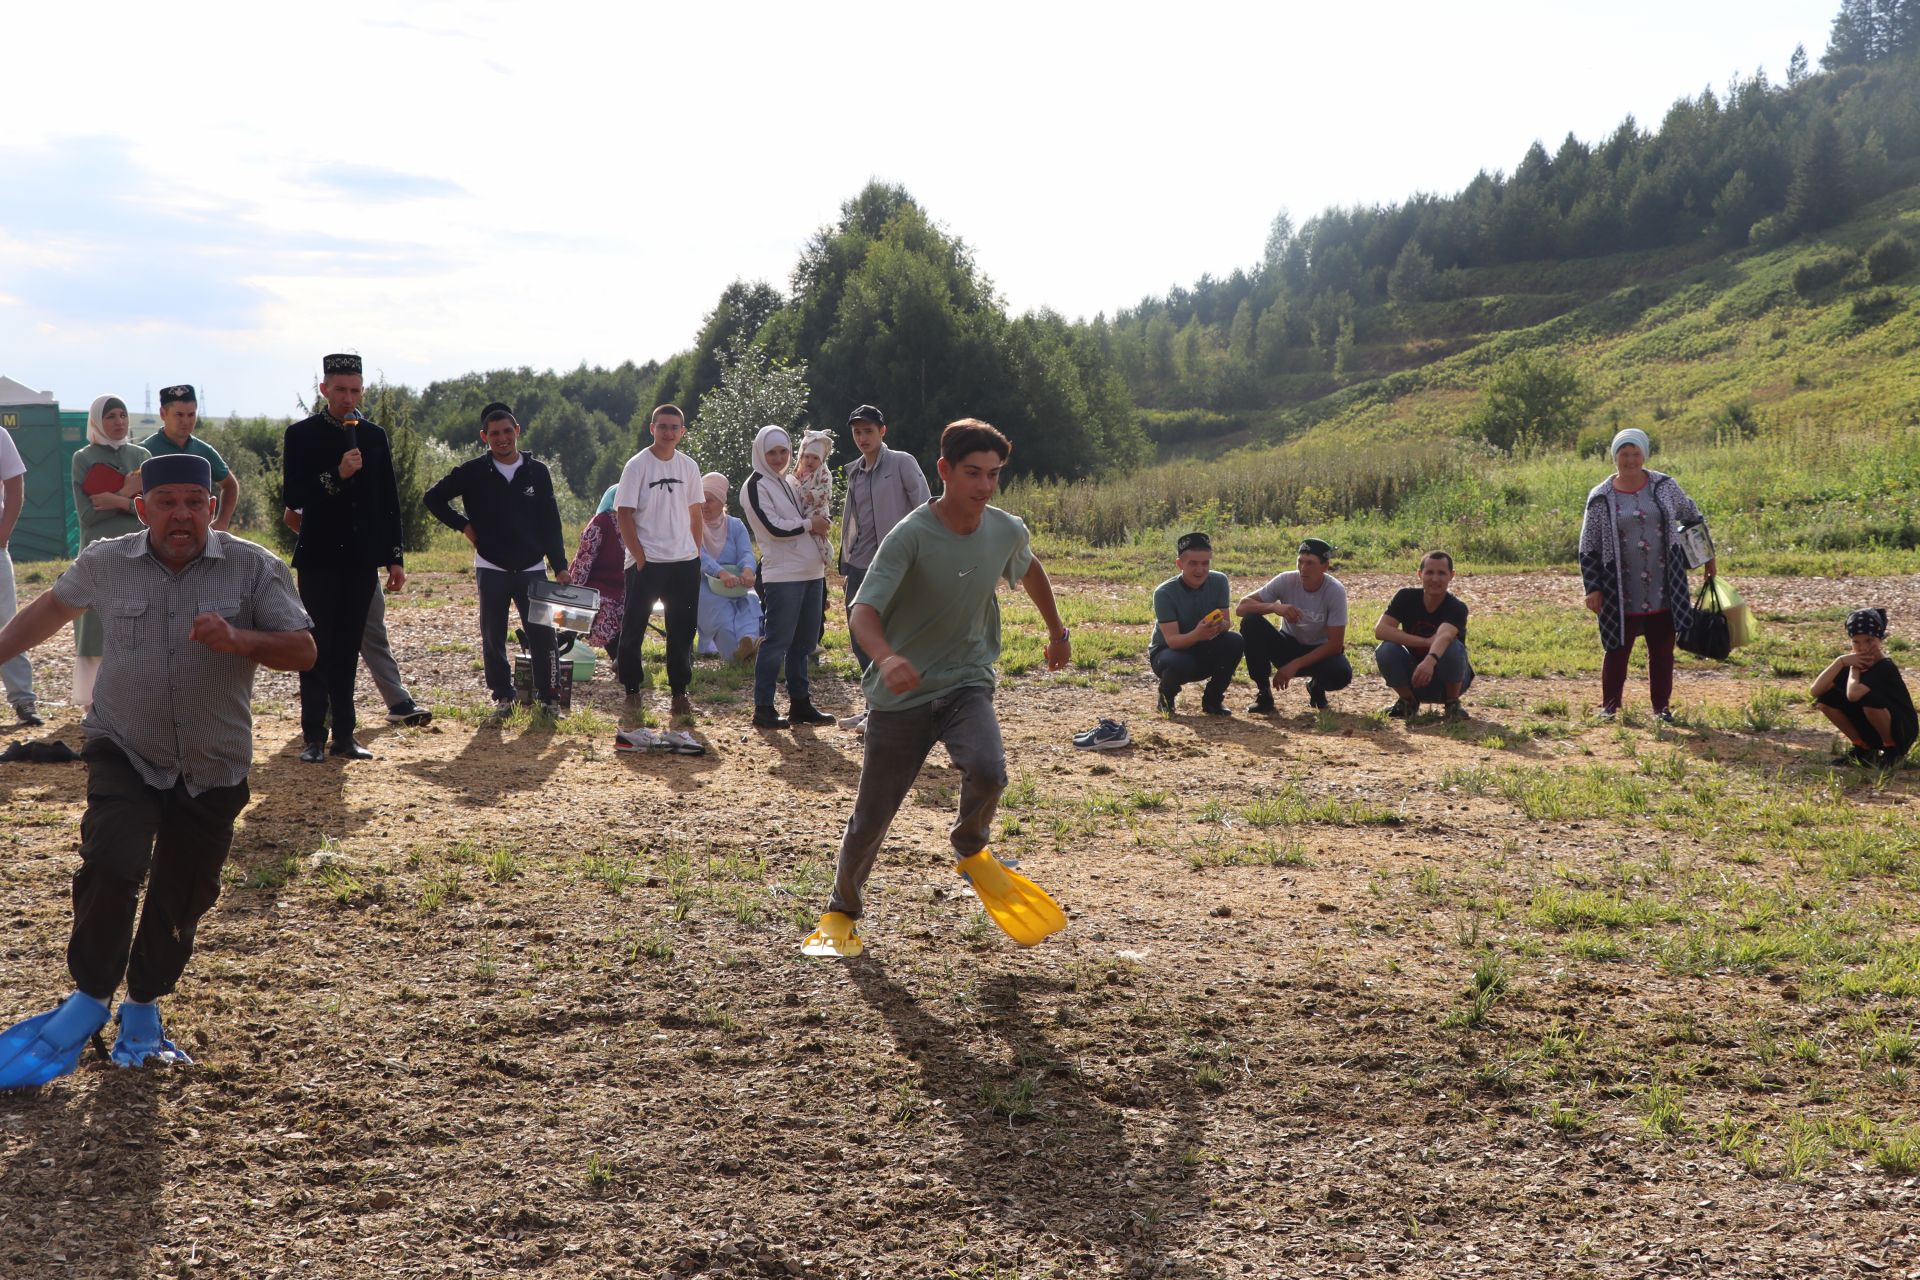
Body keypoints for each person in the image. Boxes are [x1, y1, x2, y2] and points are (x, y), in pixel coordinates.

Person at [0, 453, 314, 1089]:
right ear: (142, 509)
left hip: (214, 761)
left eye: (193, 503)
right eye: (166, 502)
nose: (181, 515)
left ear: (212, 508)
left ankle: (142, 1008)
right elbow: (48, 611)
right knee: (112, 863)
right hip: (125, 747)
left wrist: (240, 639)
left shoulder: (254, 568)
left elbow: (305, 650)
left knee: (183, 893)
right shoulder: (107, 562)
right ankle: (89, 997)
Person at [801, 419, 1072, 959]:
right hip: (900, 696)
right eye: (973, 473)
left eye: (994, 474)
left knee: (990, 770)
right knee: (872, 816)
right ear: (944, 470)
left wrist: (1057, 630)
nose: (984, 486)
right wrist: (887, 657)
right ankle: (840, 911)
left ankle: (970, 847)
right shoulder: (912, 534)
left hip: (967, 680)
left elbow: (1029, 565)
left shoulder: (1005, 529)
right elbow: (863, 611)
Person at [281, 354, 406, 763]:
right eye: (340, 390)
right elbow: (293, 496)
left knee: (349, 647)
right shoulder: (301, 435)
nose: (347, 397)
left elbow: (388, 500)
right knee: (317, 646)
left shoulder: (374, 436)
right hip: (318, 557)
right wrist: (337, 474)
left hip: (359, 560)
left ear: (362, 390)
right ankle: (313, 736)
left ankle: (345, 736)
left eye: (354, 390)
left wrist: (394, 557)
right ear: (324, 389)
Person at [424, 403, 571, 718]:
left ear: (517, 431)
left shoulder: (538, 471)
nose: (502, 438)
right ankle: (504, 699)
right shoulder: (473, 471)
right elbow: (432, 498)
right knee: (493, 635)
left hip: (532, 566)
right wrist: (463, 525)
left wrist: (559, 565)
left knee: (543, 635)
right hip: (492, 566)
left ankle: (549, 700)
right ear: (484, 437)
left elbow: (551, 522)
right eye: (494, 434)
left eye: (507, 431)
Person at [1578, 428, 1713, 722]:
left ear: (1644, 454)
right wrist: (1593, 587)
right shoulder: (1601, 496)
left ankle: (1661, 708)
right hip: (1619, 586)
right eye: (1623, 454)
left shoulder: (1664, 485)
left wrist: (1708, 559)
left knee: (1662, 649)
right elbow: (1588, 546)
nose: (1630, 460)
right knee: (1617, 647)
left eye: (1635, 453)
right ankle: (1610, 707)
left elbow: (1692, 515)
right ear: (1614, 457)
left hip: (1665, 583)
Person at [283, 508, 431, 726]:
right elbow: (291, 517)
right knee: (325, 639)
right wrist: (321, 541)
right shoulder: (315, 475)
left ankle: (399, 701)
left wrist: (392, 559)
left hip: (362, 566)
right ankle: (325, 708)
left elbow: (384, 515)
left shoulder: (369, 477)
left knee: (374, 634)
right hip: (322, 569)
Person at [836, 403, 931, 729]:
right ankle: (873, 705)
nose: (862, 437)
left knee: (890, 634)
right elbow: (851, 523)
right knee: (858, 634)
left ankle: (888, 711)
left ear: (882, 431)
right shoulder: (854, 472)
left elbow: (924, 507)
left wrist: (920, 558)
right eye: (857, 432)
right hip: (861, 564)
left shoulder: (903, 463)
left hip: (896, 563)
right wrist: (845, 565)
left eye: (868, 431)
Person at [614, 405, 704, 724]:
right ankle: (632, 689)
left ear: (682, 431)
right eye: (662, 426)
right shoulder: (637, 466)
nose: (668, 432)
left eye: (674, 427)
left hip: (683, 560)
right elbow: (623, 512)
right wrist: (639, 555)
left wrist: (694, 551)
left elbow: (696, 512)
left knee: (681, 628)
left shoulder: (689, 466)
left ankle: (679, 691)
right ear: (651, 428)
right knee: (634, 626)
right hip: (647, 560)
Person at [741, 426, 833, 730]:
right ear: (760, 453)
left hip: (812, 572)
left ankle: (800, 703)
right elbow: (773, 528)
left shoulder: (789, 481)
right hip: (783, 576)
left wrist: (818, 521)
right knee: (778, 640)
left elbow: (814, 504)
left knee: (805, 643)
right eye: (772, 452)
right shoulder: (755, 485)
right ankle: (764, 707)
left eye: (783, 451)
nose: (779, 458)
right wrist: (811, 524)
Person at [66, 397, 151, 711]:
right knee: (96, 625)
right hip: (98, 556)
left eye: (123, 415)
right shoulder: (83, 458)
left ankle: (135, 698)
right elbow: (87, 516)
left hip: (138, 553)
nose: (118, 422)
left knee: (139, 624)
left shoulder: (141, 456)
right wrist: (128, 493)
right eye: (111, 416)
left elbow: (149, 511)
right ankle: (95, 703)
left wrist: (116, 500)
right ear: (97, 421)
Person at [1236, 537, 1352, 714]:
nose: (1303, 569)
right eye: (1300, 561)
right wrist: (1274, 607)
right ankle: (1264, 693)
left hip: (1318, 652)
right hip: (1288, 645)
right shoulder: (1286, 580)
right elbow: (1242, 607)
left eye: (1310, 563)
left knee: (1341, 674)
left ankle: (1316, 687)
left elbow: (1335, 644)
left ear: (1325, 566)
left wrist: (1295, 664)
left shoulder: (1334, 590)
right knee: (1251, 622)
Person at [1148, 531, 1244, 716]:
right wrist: (1197, 634)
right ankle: (1166, 697)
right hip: (1169, 652)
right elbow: (1173, 641)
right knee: (1178, 663)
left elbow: (1226, 623)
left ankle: (1213, 700)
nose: (1200, 570)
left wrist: (1219, 626)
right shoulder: (1164, 593)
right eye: (1193, 563)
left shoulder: (1219, 580)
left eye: (1205, 563)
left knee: (1235, 641)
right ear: (1179, 564)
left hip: (1204, 645)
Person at [1374, 550, 1474, 721]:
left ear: (1452, 575)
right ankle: (1408, 702)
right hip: (1414, 678)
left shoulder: (1457, 607)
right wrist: (1425, 641)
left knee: (1453, 647)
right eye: (1429, 572)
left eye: (1441, 573)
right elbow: (1381, 630)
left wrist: (1430, 660)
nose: (1435, 579)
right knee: (1386, 649)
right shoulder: (1405, 597)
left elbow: (1444, 636)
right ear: (1420, 574)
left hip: (1446, 680)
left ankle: (1452, 704)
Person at [1812, 609, 1916, 767]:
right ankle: (1863, 748)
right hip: (1873, 728)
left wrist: (1854, 670)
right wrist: (1840, 661)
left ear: (1880, 639)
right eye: (1856, 642)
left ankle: (1892, 750)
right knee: (1826, 700)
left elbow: (1853, 694)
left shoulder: (1884, 667)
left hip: (1901, 730)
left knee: (1869, 700)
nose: (1862, 647)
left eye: (1869, 640)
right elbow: (1815, 690)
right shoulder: (1849, 662)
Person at [140, 383, 239, 531]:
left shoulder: (203, 450)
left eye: (191, 414)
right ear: (163, 414)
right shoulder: (145, 451)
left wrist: (222, 522)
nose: (186, 421)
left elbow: (230, 485)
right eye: (179, 414)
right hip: (157, 537)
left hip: (196, 537)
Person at [695, 472, 761, 661]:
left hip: (737, 583)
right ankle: (738, 655)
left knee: (749, 603)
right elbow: (698, 555)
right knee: (723, 620)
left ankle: (748, 641)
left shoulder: (735, 525)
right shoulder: (693, 525)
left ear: (722, 502)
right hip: (707, 585)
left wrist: (748, 569)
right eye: (702, 500)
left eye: (710, 500)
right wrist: (720, 572)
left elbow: (746, 552)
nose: (704, 505)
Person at [567, 485, 626, 666]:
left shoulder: (635, 523)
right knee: (599, 609)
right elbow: (585, 559)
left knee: (626, 610)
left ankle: (622, 658)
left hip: (622, 586)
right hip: (595, 584)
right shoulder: (601, 523)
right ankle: (620, 659)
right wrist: (574, 589)